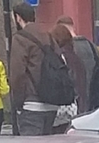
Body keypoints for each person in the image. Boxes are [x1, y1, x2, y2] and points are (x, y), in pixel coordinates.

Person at [10, 1, 62, 135]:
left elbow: (17, 74)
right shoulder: (49, 37)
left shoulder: (20, 39)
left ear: (18, 18)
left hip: (31, 105)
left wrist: (18, 103)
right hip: (52, 103)